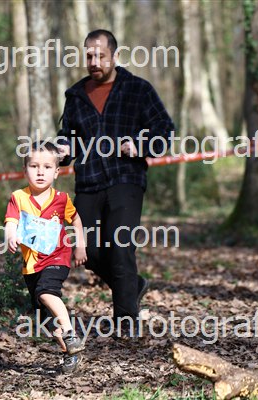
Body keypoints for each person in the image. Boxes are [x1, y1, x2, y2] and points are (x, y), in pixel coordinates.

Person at [58, 29, 175, 336]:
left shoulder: (138, 89)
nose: (94, 62)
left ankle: (126, 323)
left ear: (115, 56)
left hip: (126, 178)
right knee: (88, 250)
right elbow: (68, 138)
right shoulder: (75, 95)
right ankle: (133, 285)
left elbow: (165, 130)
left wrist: (141, 145)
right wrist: (60, 150)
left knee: (120, 246)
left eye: (101, 56)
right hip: (88, 181)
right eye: (89, 56)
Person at [4, 141, 87, 373]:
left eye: (47, 167)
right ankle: (71, 354)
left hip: (58, 256)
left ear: (57, 172)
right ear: (25, 170)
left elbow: (76, 220)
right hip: (32, 265)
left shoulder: (61, 199)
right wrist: (10, 235)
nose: (40, 172)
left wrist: (81, 245)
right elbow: (11, 221)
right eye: (34, 166)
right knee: (46, 320)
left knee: (46, 291)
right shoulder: (18, 197)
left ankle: (70, 333)